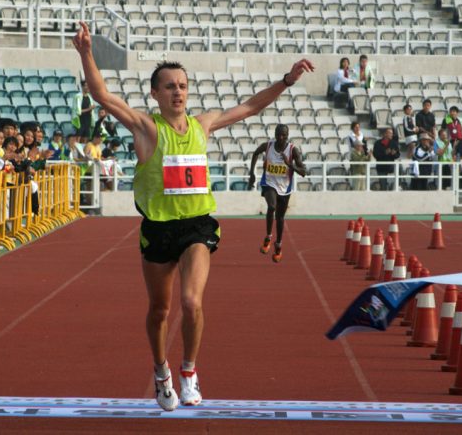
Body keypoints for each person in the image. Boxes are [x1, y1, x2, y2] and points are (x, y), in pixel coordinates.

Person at [74, 21, 313, 411]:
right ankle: (160, 370)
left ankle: (188, 371)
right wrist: (86, 52)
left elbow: (251, 106)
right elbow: (102, 95)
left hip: (197, 227)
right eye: (170, 86)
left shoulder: (203, 125)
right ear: (155, 93)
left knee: (191, 302)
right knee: (159, 310)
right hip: (158, 229)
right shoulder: (147, 128)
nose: (178, 92)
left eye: (183, 85)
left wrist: (286, 80)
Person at [248, 124, 306, 260]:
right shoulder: (268, 146)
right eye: (278, 134)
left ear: (287, 135)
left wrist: (290, 164)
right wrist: (252, 173)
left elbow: (303, 172)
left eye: (283, 135)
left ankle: (278, 245)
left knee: (280, 218)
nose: (280, 137)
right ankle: (268, 237)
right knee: (272, 206)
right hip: (269, 183)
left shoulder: (293, 150)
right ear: (274, 134)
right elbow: (256, 153)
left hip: (285, 188)